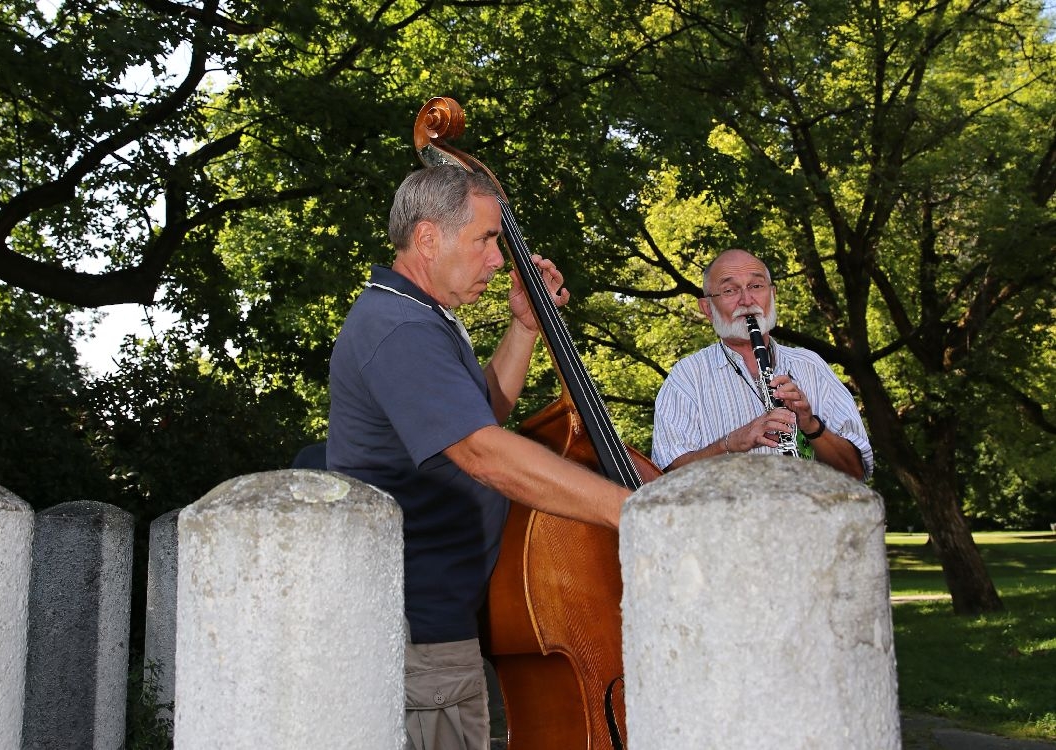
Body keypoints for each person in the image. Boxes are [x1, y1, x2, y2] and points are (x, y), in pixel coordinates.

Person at [326, 164, 632, 750]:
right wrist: (636, 512)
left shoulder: (419, 317)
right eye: (485, 239)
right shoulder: (399, 328)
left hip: (442, 627)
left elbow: (478, 416)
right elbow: (481, 451)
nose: (498, 258)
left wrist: (523, 328)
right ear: (427, 239)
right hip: (425, 635)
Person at [652, 248, 872, 481]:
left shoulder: (810, 365)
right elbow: (667, 480)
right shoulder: (686, 377)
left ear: (772, 294)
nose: (747, 301)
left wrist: (810, 424)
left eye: (756, 286)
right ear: (707, 308)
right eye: (729, 290)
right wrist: (731, 443)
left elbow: (855, 472)